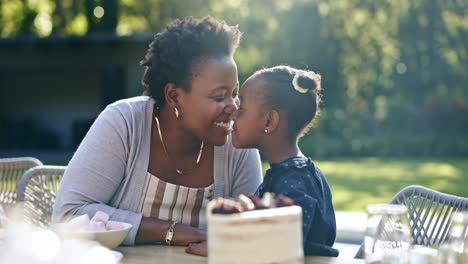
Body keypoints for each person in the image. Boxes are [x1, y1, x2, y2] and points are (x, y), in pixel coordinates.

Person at [52, 16, 262, 247]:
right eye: (219, 96)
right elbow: (69, 215)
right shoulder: (124, 124)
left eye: (234, 93)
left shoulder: (238, 143)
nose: (233, 107)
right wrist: (170, 231)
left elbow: (254, 229)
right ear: (174, 96)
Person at [231, 65, 338, 257]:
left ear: (269, 121)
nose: (233, 114)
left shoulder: (293, 183)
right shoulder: (291, 172)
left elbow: (280, 246)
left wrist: (224, 248)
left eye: (241, 108)